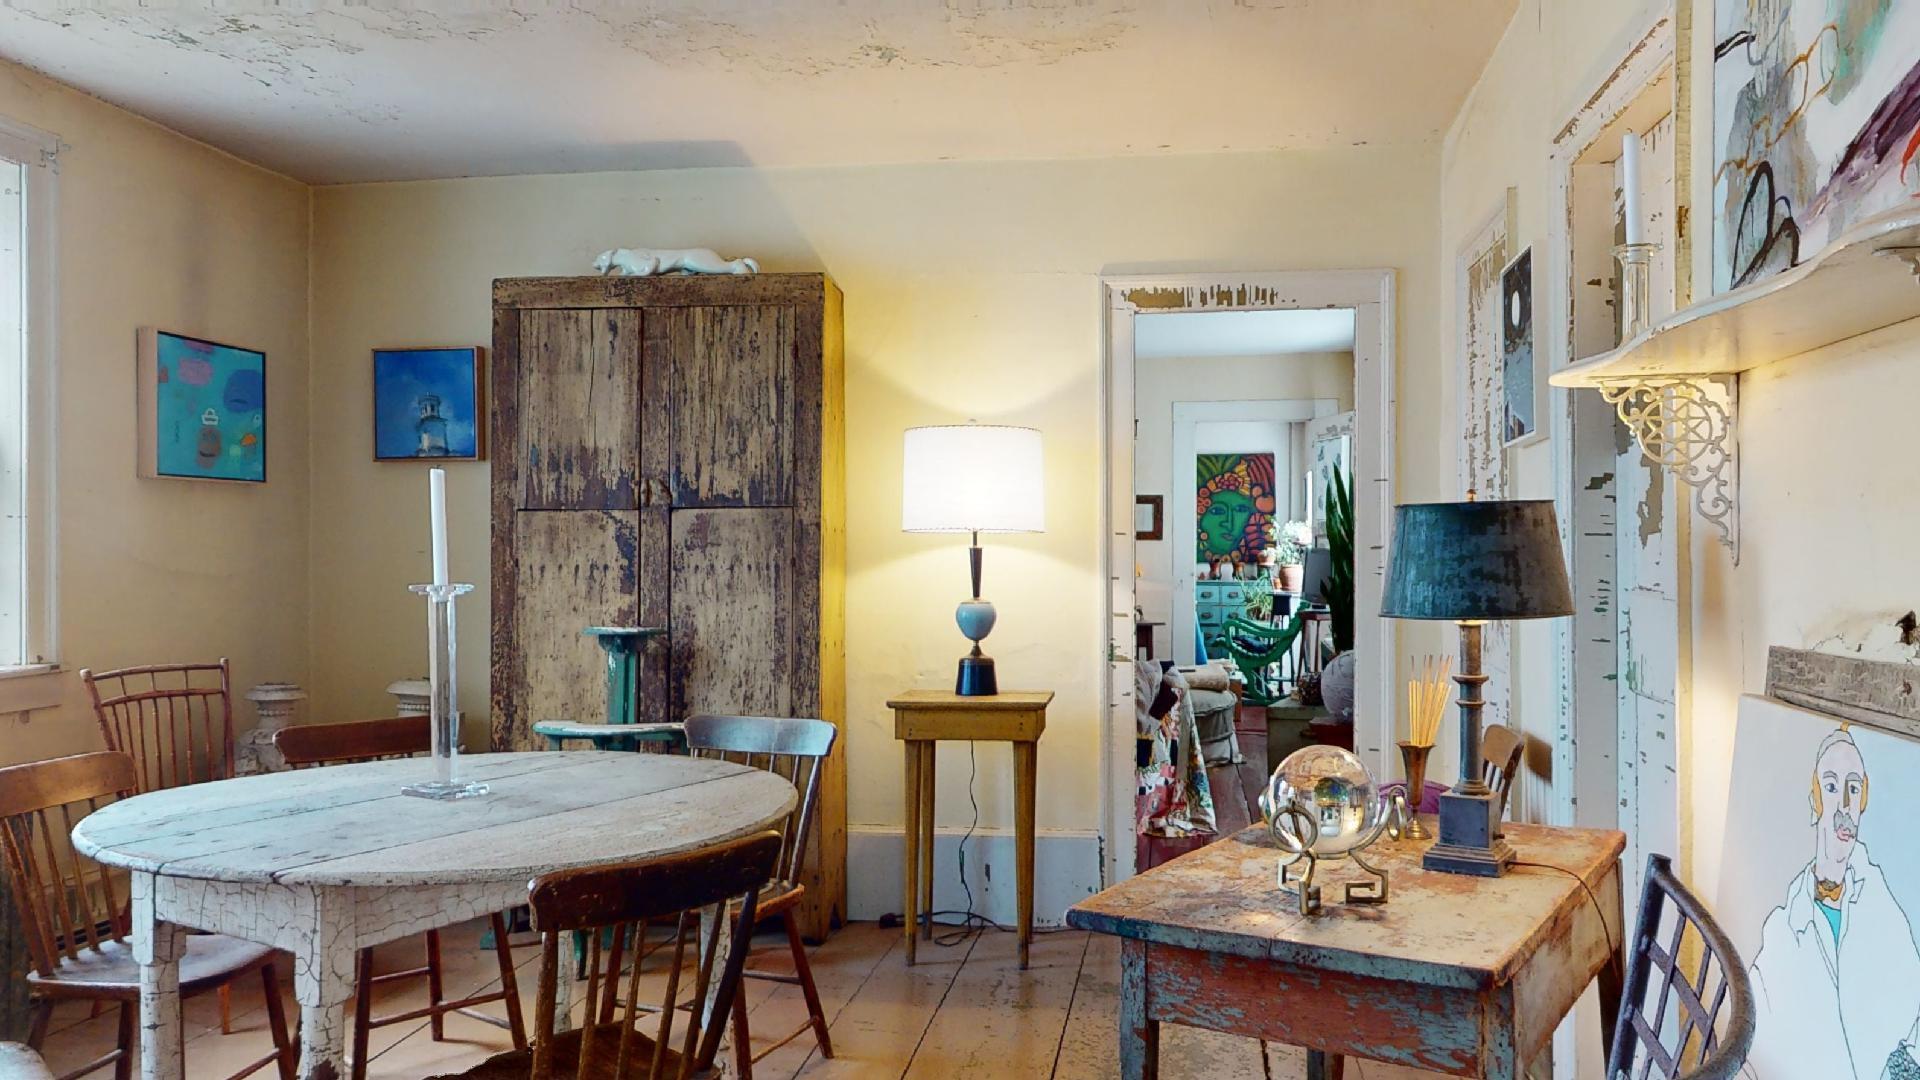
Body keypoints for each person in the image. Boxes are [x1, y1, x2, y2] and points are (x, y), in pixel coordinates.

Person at [1745, 729, 1920, 1078]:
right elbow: (1751, 1048)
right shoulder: (1783, 930)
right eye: (1831, 786)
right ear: (1815, 800)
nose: (1843, 806)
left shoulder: (1883, 909)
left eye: (1853, 789)